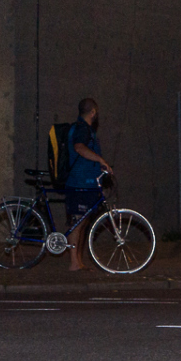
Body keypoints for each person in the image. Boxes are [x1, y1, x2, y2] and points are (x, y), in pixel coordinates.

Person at [60, 98, 113, 271]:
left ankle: (78, 261)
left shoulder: (83, 128)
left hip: (86, 182)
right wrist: (100, 160)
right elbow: (79, 148)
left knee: (82, 222)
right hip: (79, 182)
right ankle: (74, 263)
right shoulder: (82, 129)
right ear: (93, 112)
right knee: (77, 222)